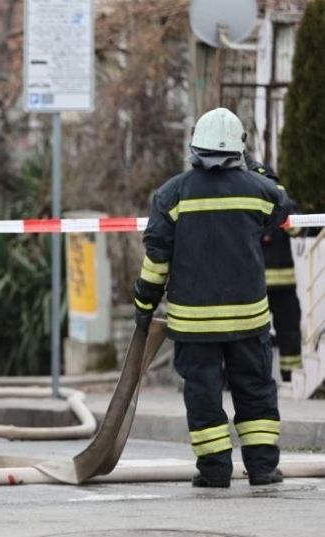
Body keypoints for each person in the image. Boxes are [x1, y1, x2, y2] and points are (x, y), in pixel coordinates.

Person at [133, 107, 291, 488]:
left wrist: (144, 304)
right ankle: (263, 468)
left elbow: (157, 258)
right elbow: (282, 205)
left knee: (202, 396)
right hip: (248, 320)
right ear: (239, 147)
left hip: (193, 323)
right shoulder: (259, 190)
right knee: (255, 390)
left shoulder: (172, 194)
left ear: (194, 146)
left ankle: (215, 471)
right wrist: (256, 169)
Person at [243, 151, 304, 382]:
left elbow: (300, 228)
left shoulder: (257, 203)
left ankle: (288, 378)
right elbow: (299, 229)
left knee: (270, 333)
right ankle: (285, 378)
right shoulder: (277, 202)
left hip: (261, 285)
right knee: (270, 333)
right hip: (267, 285)